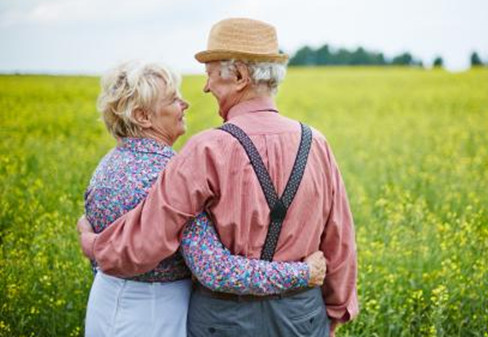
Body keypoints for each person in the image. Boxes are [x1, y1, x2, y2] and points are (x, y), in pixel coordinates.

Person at [79, 18, 358, 336]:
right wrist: (334, 312)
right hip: (302, 315)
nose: (205, 87)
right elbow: (339, 239)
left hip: (225, 320)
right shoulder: (317, 143)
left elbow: (145, 241)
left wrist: (91, 242)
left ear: (239, 76)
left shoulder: (206, 149)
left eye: (210, 75)